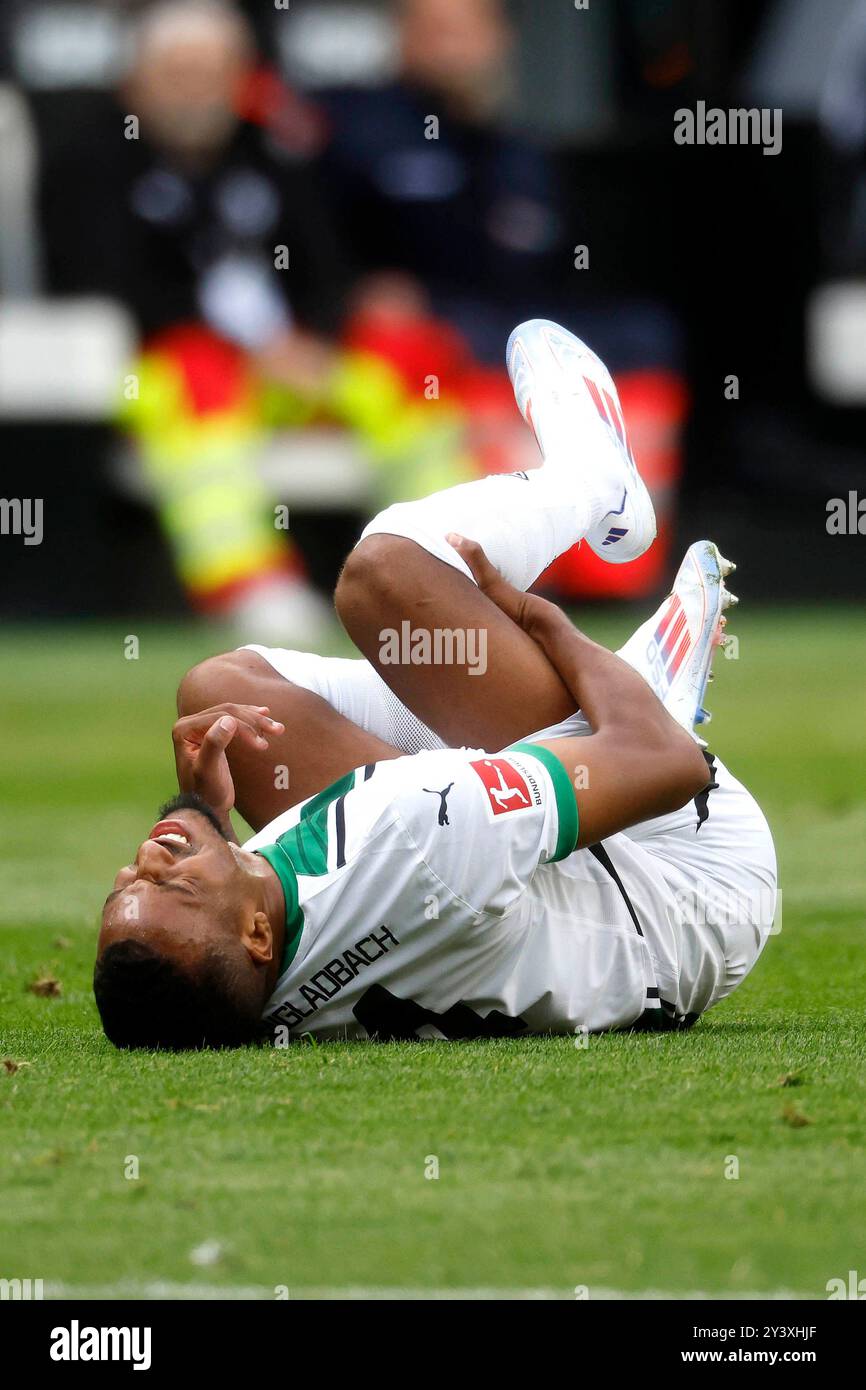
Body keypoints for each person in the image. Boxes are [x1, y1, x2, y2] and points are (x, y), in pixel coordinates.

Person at [93, 319, 776, 1047]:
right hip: (683, 864)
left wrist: (213, 831)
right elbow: (668, 764)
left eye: (125, 884)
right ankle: (597, 492)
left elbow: (214, 961)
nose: (146, 860)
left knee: (218, 692)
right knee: (385, 583)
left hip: (540, 918)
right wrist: (537, 619)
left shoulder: (240, 993)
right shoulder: (420, 833)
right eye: (172, 883)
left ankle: (578, 709)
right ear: (258, 934)